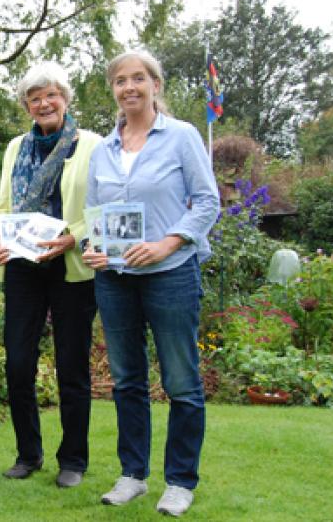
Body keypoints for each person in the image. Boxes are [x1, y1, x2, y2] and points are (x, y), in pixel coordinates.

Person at [82, 50, 219, 517]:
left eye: (138, 78)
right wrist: (92, 247)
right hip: (116, 280)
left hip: (170, 274)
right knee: (127, 382)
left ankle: (180, 481)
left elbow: (206, 202)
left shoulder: (181, 137)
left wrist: (167, 243)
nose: (130, 87)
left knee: (181, 380)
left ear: (155, 84)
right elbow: (94, 218)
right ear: (114, 90)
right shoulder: (104, 149)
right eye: (121, 81)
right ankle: (132, 475)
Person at [0, 62, 102, 488]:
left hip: (70, 268)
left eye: (50, 95)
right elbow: (3, 207)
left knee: (72, 365)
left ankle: (73, 459)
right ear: (26, 105)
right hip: (22, 266)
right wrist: (2, 239)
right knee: (18, 364)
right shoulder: (16, 147)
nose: (43, 103)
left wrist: (73, 236)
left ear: (65, 98)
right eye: (34, 98)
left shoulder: (90, 145)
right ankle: (28, 453)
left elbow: (102, 203)